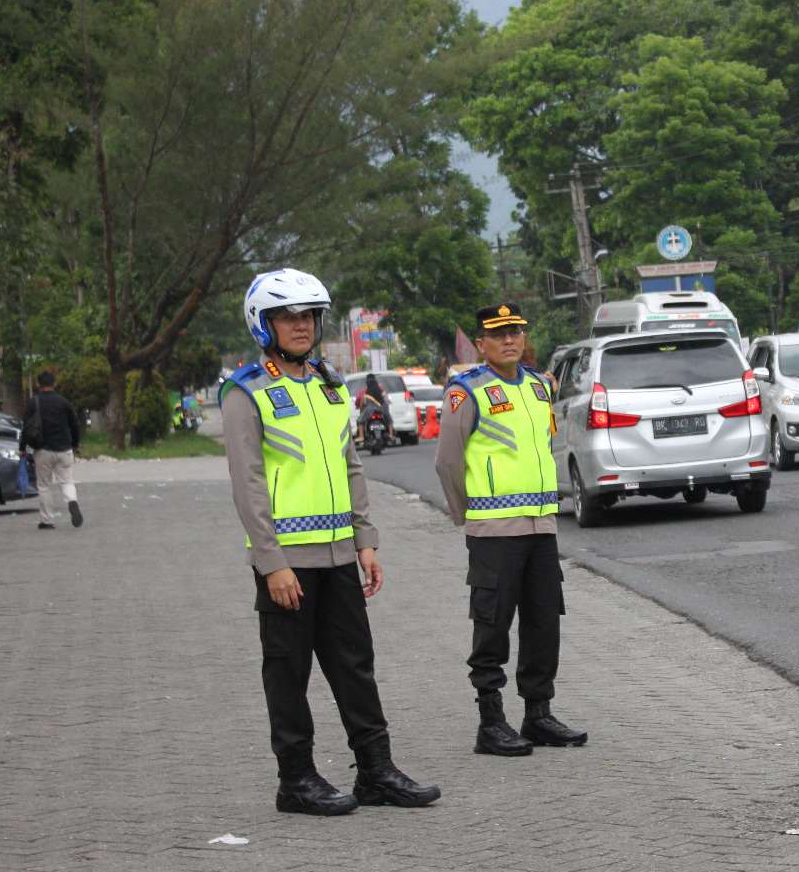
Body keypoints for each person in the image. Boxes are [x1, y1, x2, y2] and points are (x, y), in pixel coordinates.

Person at [221, 269, 440, 816]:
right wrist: (270, 562)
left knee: (354, 666)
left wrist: (366, 540)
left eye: (307, 317)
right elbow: (248, 485)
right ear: (263, 324)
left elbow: (350, 465)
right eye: (287, 317)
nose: (300, 326)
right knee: (288, 670)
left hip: (342, 553)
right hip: (287, 564)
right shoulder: (246, 393)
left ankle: (376, 772)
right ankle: (296, 780)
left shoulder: (328, 384)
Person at [435, 302, 586, 756]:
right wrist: (470, 516)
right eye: (499, 334)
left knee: (543, 624)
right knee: (492, 625)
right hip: (494, 532)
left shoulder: (540, 387)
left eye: (516, 332)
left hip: (542, 528)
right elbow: (447, 461)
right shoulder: (467, 391)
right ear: (481, 344)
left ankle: (538, 714)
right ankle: (491, 722)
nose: (510, 340)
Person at [20, 371, 83, 530]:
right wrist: (75, 444)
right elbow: (75, 426)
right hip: (64, 449)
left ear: (38, 385)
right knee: (67, 481)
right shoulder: (64, 402)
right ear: (54, 385)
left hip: (43, 451)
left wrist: (22, 449)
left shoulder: (33, 403)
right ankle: (72, 501)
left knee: (44, 486)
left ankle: (47, 520)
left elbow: (26, 428)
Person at [357, 373, 385, 445]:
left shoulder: (365, 392)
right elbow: (386, 401)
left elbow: (362, 402)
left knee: (360, 421)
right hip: (381, 410)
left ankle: (361, 436)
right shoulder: (381, 390)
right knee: (388, 420)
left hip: (369, 410)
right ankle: (391, 434)